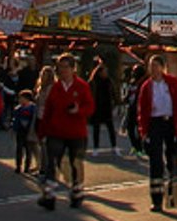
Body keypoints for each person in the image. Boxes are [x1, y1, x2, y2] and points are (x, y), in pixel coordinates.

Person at [39, 53, 94, 211]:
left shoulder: (82, 86)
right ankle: (49, 196)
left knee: (75, 164)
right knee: (52, 163)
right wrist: (42, 132)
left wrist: (79, 110)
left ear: (72, 69)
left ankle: (77, 193)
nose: (62, 71)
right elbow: (48, 110)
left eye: (65, 67)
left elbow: (90, 107)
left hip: (76, 132)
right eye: (60, 68)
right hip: (56, 131)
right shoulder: (55, 88)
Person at [137, 53, 177, 212]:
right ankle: (157, 200)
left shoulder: (172, 83)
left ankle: (172, 194)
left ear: (162, 67)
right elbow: (141, 110)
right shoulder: (147, 86)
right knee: (155, 162)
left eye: (156, 66)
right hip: (154, 123)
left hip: (171, 123)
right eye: (151, 66)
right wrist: (143, 131)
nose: (153, 69)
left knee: (172, 160)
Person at [88, 60, 118, 155]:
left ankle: (114, 147)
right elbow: (89, 94)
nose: (106, 73)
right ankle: (96, 148)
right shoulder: (93, 82)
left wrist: (116, 102)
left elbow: (114, 92)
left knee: (111, 128)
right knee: (96, 129)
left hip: (107, 107)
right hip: (97, 107)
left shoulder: (109, 81)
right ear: (99, 72)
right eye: (104, 71)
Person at [12, 88, 39, 174]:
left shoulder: (33, 109)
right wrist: (14, 129)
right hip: (20, 131)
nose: (20, 100)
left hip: (29, 131)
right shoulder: (18, 109)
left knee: (28, 150)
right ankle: (18, 166)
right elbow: (15, 120)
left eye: (21, 98)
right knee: (19, 149)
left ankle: (27, 166)